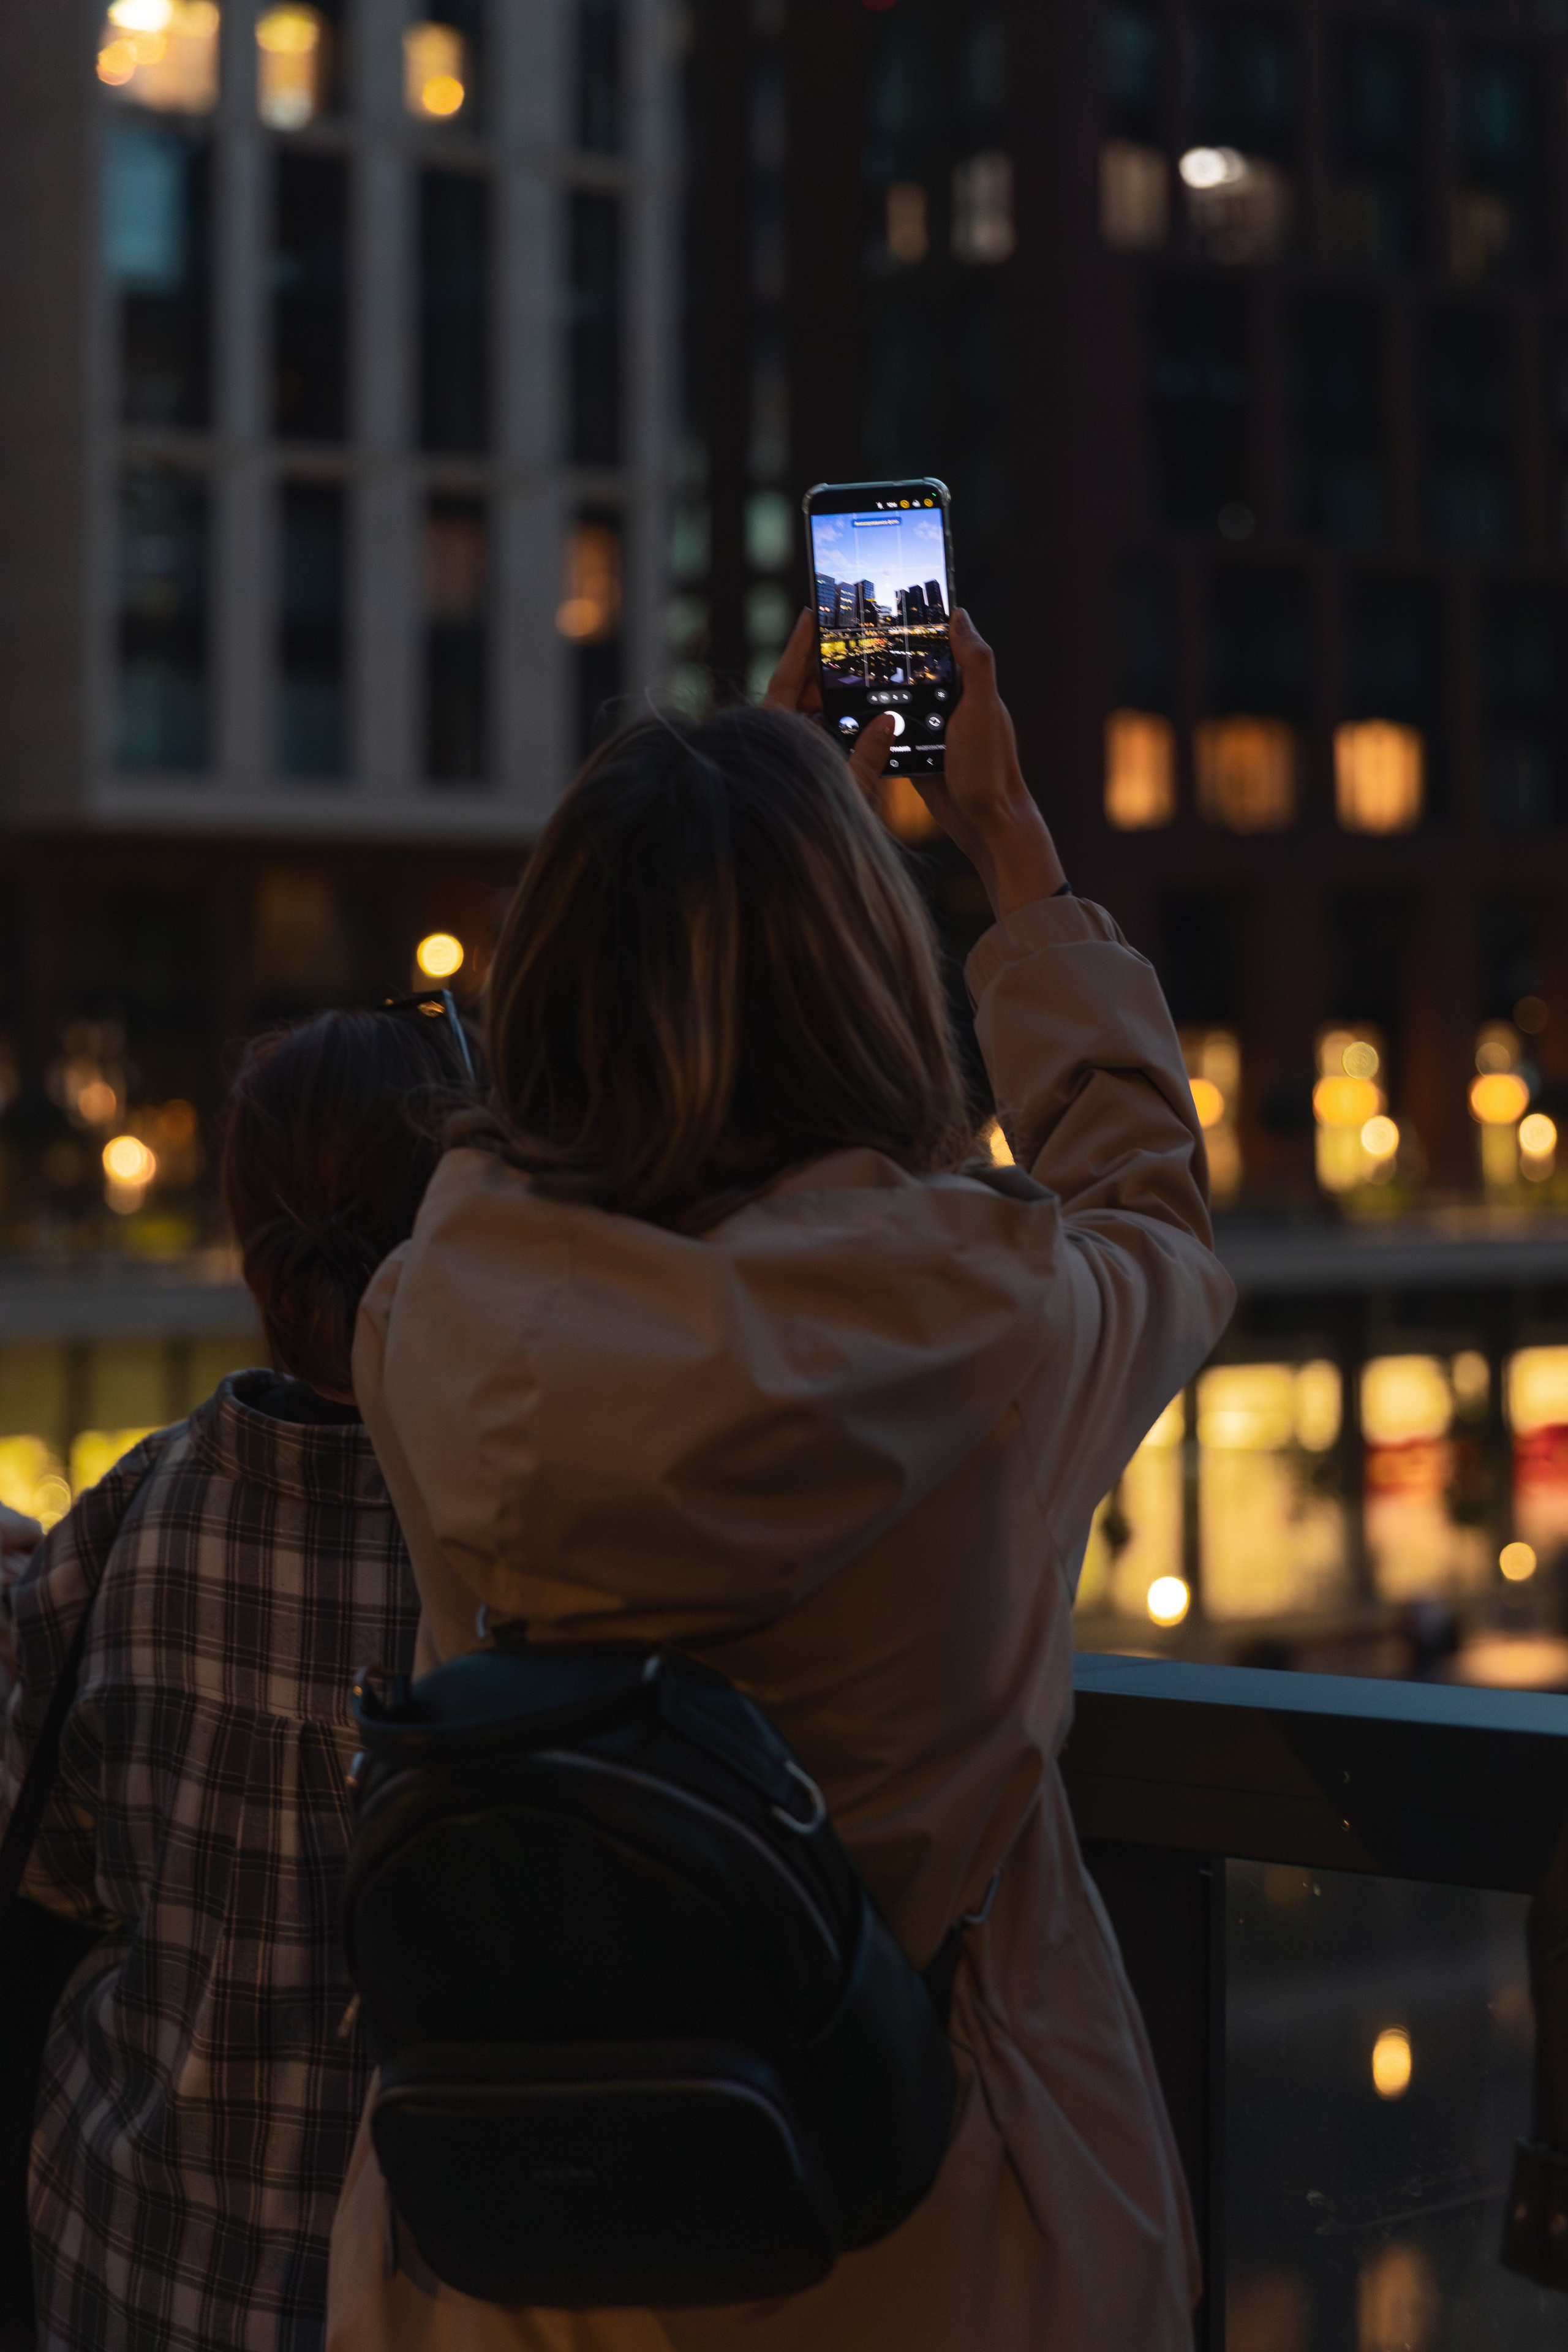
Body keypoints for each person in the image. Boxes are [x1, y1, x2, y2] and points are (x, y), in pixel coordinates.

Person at [326, 609, 1237, 2351]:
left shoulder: (424, 1320)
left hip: (537, 2255)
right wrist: (1014, 855)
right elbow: (1152, 1214)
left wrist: (736, 829)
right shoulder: (991, 1327)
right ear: (862, 980)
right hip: (940, 2225)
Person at [0, 1006, 475, 2352]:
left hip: (119, 2255)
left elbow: (41, 1848)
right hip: (406, 2295)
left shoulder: (138, 1508)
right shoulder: (501, 1532)